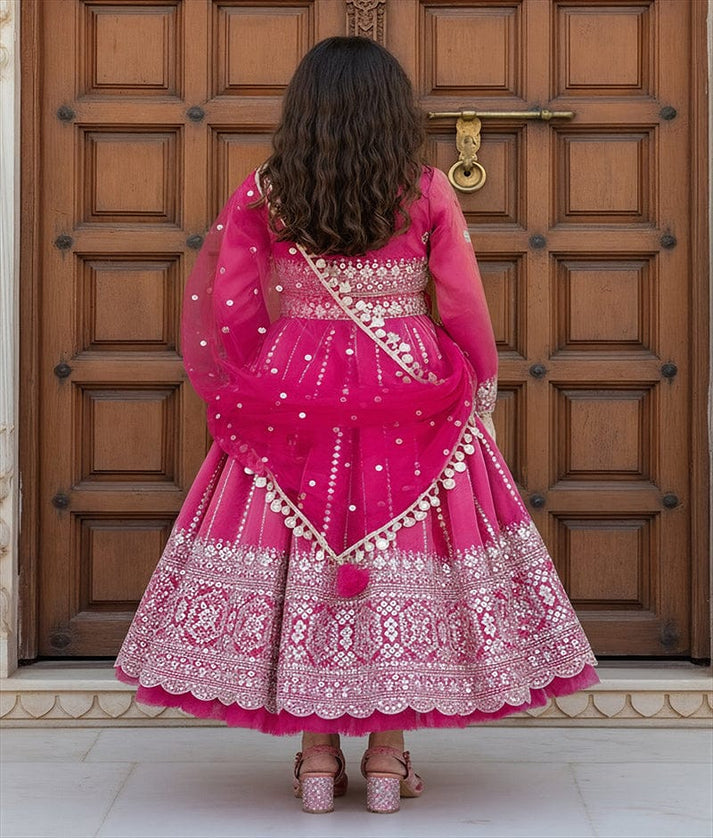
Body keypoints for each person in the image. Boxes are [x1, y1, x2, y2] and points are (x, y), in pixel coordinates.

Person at [114, 36, 598, 815]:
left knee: (300, 549)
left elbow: (230, 307)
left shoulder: (266, 191)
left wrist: (251, 389)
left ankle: (313, 760)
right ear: (392, 111)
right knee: (405, 549)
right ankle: (386, 756)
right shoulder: (425, 188)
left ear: (302, 110)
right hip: (409, 382)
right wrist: (478, 386)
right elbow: (464, 304)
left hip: (291, 382)